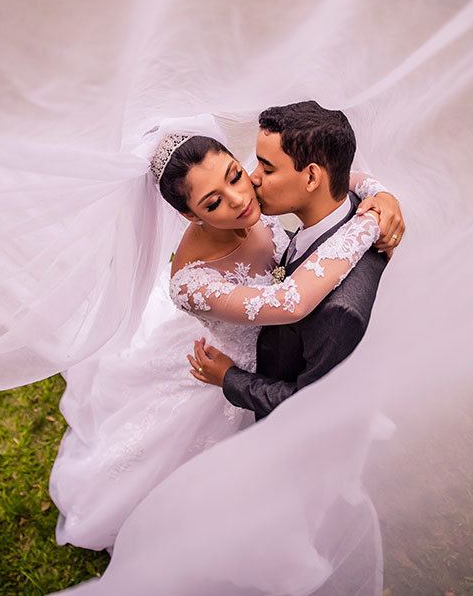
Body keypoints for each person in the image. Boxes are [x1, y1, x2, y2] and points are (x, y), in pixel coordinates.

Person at [49, 111, 405, 550]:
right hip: (227, 371)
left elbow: (344, 177)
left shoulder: (257, 190)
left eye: (236, 175)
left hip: (282, 350)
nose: (239, 199)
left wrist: (382, 195)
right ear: (188, 214)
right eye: (212, 203)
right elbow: (289, 301)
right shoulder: (191, 282)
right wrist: (370, 226)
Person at [188, 101, 394, 420]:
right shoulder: (349, 203)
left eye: (267, 168)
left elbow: (310, 406)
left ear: (312, 177)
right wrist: (383, 194)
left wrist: (230, 379)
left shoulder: (339, 310)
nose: (252, 179)